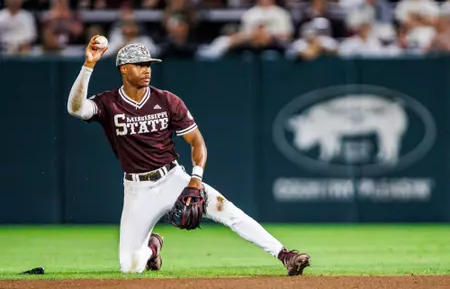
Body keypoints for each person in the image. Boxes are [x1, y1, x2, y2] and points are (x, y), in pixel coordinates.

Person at [66, 35, 311, 275]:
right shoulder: (109, 103)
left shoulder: (167, 100)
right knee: (130, 268)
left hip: (172, 178)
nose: (147, 70)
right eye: (140, 65)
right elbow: (75, 109)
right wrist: (89, 65)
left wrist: (195, 178)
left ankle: (285, 255)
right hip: (137, 189)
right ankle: (154, 246)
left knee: (227, 210)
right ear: (124, 69)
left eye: (148, 64)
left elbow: (197, 142)